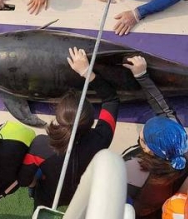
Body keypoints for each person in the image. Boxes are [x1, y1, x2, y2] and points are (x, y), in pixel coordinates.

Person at [17, 47, 121, 208]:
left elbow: (24, 180)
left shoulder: (40, 145)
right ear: (91, 120)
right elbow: (111, 99)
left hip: (49, 197)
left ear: (58, 117)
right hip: (82, 196)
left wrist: (35, 183)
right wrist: (87, 72)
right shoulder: (102, 137)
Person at [121, 56, 188, 219]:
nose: (140, 134)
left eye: (142, 138)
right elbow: (164, 110)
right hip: (163, 197)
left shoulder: (135, 168)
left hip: (138, 216)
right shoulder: (181, 145)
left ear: (148, 150)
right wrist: (142, 75)